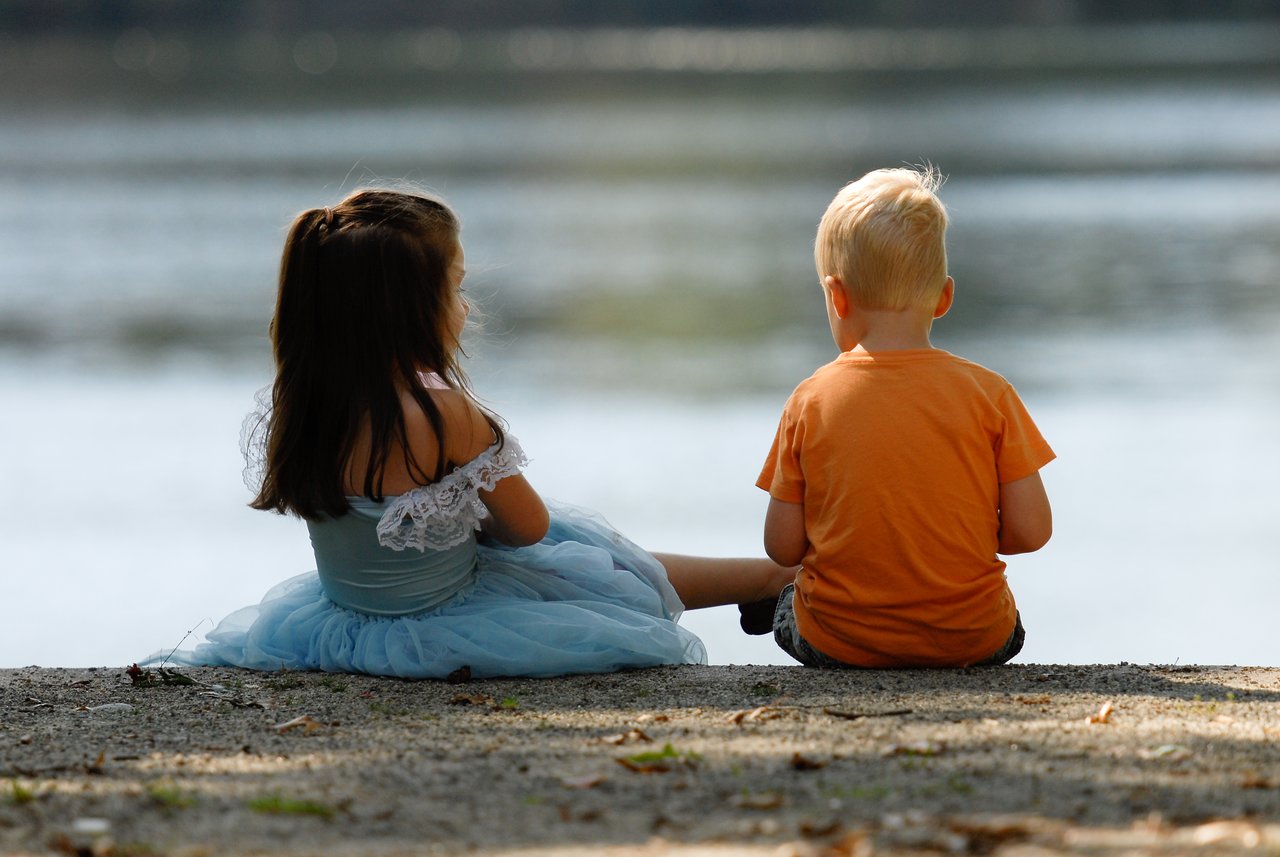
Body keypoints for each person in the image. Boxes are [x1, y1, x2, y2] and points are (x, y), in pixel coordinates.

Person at [150, 188, 792, 679]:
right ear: (408, 308)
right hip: (451, 624)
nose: (467, 306)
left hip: (340, 623)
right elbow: (529, 528)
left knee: (582, 556)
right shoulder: (446, 413)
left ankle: (763, 581)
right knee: (590, 557)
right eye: (455, 288)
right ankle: (768, 581)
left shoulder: (302, 403)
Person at [748, 167, 1054, 668]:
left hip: (840, 644)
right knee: (1000, 616)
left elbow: (782, 547)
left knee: (787, 599)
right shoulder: (991, 393)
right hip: (975, 638)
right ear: (944, 298)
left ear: (836, 296)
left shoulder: (810, 400)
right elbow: (1031, 532)